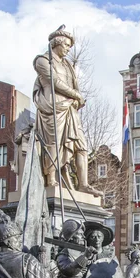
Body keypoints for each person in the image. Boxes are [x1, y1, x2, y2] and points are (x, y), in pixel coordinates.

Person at [33, 27, 100, 195]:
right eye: (67, 45)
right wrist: (76, 95)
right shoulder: (42, 61)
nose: (69, 49)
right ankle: (51, 179)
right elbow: (54, 82)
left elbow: (71, 84)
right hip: (53, 107)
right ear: (57, 43)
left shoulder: (67, 65)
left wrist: (75, 99)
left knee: (81, 146)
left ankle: (83, 184)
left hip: (70, 109)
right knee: (54, 142)